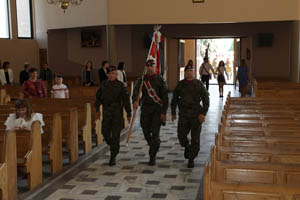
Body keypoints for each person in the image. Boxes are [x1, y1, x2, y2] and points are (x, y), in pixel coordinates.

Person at [171, 64, 209, 168]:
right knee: (181, 136)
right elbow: (174, 98)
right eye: (187, 71)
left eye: (191, 70)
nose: (189, 72)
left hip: (196, 115)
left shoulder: (199, 84)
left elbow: (206, 99)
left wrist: (203, 113)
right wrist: (173, 112)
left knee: (195, 139)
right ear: (185, 72)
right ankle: (187, 146)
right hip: (183, 115)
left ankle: (191, 159)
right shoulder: (181, 84)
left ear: (194, 72)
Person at [132, 59, 169, 166]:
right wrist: (135, 100)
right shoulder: (142, 80)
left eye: (151, 66)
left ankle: (152, 156)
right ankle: (155, 144)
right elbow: (135, 91)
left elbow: (165, 97)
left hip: (157, 110)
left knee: (155, 133)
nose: (149, 68)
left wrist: (164, 112)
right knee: (145, 131)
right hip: (145, 110)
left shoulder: (160, 80)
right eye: (147, 66)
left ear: (155, 67)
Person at [95, 66, 132, 166]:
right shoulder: (103, 84)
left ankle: (113, 156)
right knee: (105, 132)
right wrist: (97, 109)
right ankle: (114, 146)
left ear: (116, 74)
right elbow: (97, 98)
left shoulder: (121, 85)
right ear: (107, 74)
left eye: (113, 73)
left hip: (117, 113)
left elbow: (126, 101)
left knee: (115, 135)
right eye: (109, 73)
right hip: (106, 112)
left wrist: (129, 113)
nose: (111, 75)